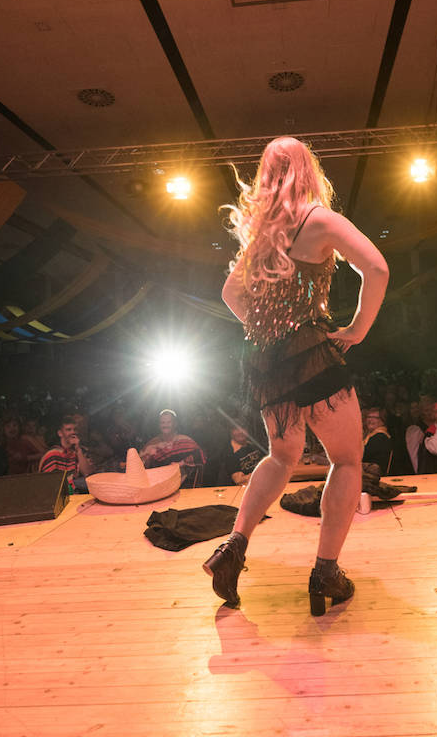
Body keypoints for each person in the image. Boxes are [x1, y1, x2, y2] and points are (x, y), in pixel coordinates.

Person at [204, 136, 388, 616]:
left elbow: (230, 293)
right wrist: (357, 329)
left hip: (267, 359)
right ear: (309, 170)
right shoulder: (319, 219)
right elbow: (377, 268)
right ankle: (326, 572)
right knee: (346, 460)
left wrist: (269, 333)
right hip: (311, 354)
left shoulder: (263, 235)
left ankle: (232, 548)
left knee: (281, 456)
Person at [140, 409, 207, 487]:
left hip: (183, 487)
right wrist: (148, 455)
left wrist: (181, 463)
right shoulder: (152, 443)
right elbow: (140, 468)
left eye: (169, 422)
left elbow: (201, 455)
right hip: (158, 487)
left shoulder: (184, 440)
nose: (165, 425)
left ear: (175, 424)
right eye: (162, 422)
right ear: (159, 425)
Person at [39, 414, 93, 493]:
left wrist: (78, 449)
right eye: (68, 430)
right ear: (60, 433)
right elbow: (48, 484)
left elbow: (87, 473)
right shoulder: (53, 454)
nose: (73, 432)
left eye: (75, 429)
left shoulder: (80, 450)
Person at [362, 407, 393, 475]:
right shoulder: (369, 435)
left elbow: (363, 455)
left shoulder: (380, 436)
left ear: (382, 421)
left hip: (374, 476)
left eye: (374, 417)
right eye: (368, 417)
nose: (370, 420)